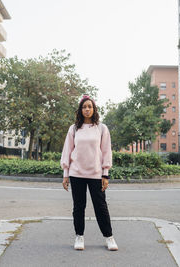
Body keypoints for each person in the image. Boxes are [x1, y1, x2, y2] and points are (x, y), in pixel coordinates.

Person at [60, 95, 118, 251]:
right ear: (80, 110)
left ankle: (109, 237)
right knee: (79, 207)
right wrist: (66, 174)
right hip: (76, 173)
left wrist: (105, 174)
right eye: (84, 107)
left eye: (89, 107)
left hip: (96, 174)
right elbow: (67, 151)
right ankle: (79, 236)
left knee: (101, 206)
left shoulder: (102, 128)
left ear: (94, 109)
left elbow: (106, 152)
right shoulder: (74, 129)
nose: (87, 109)